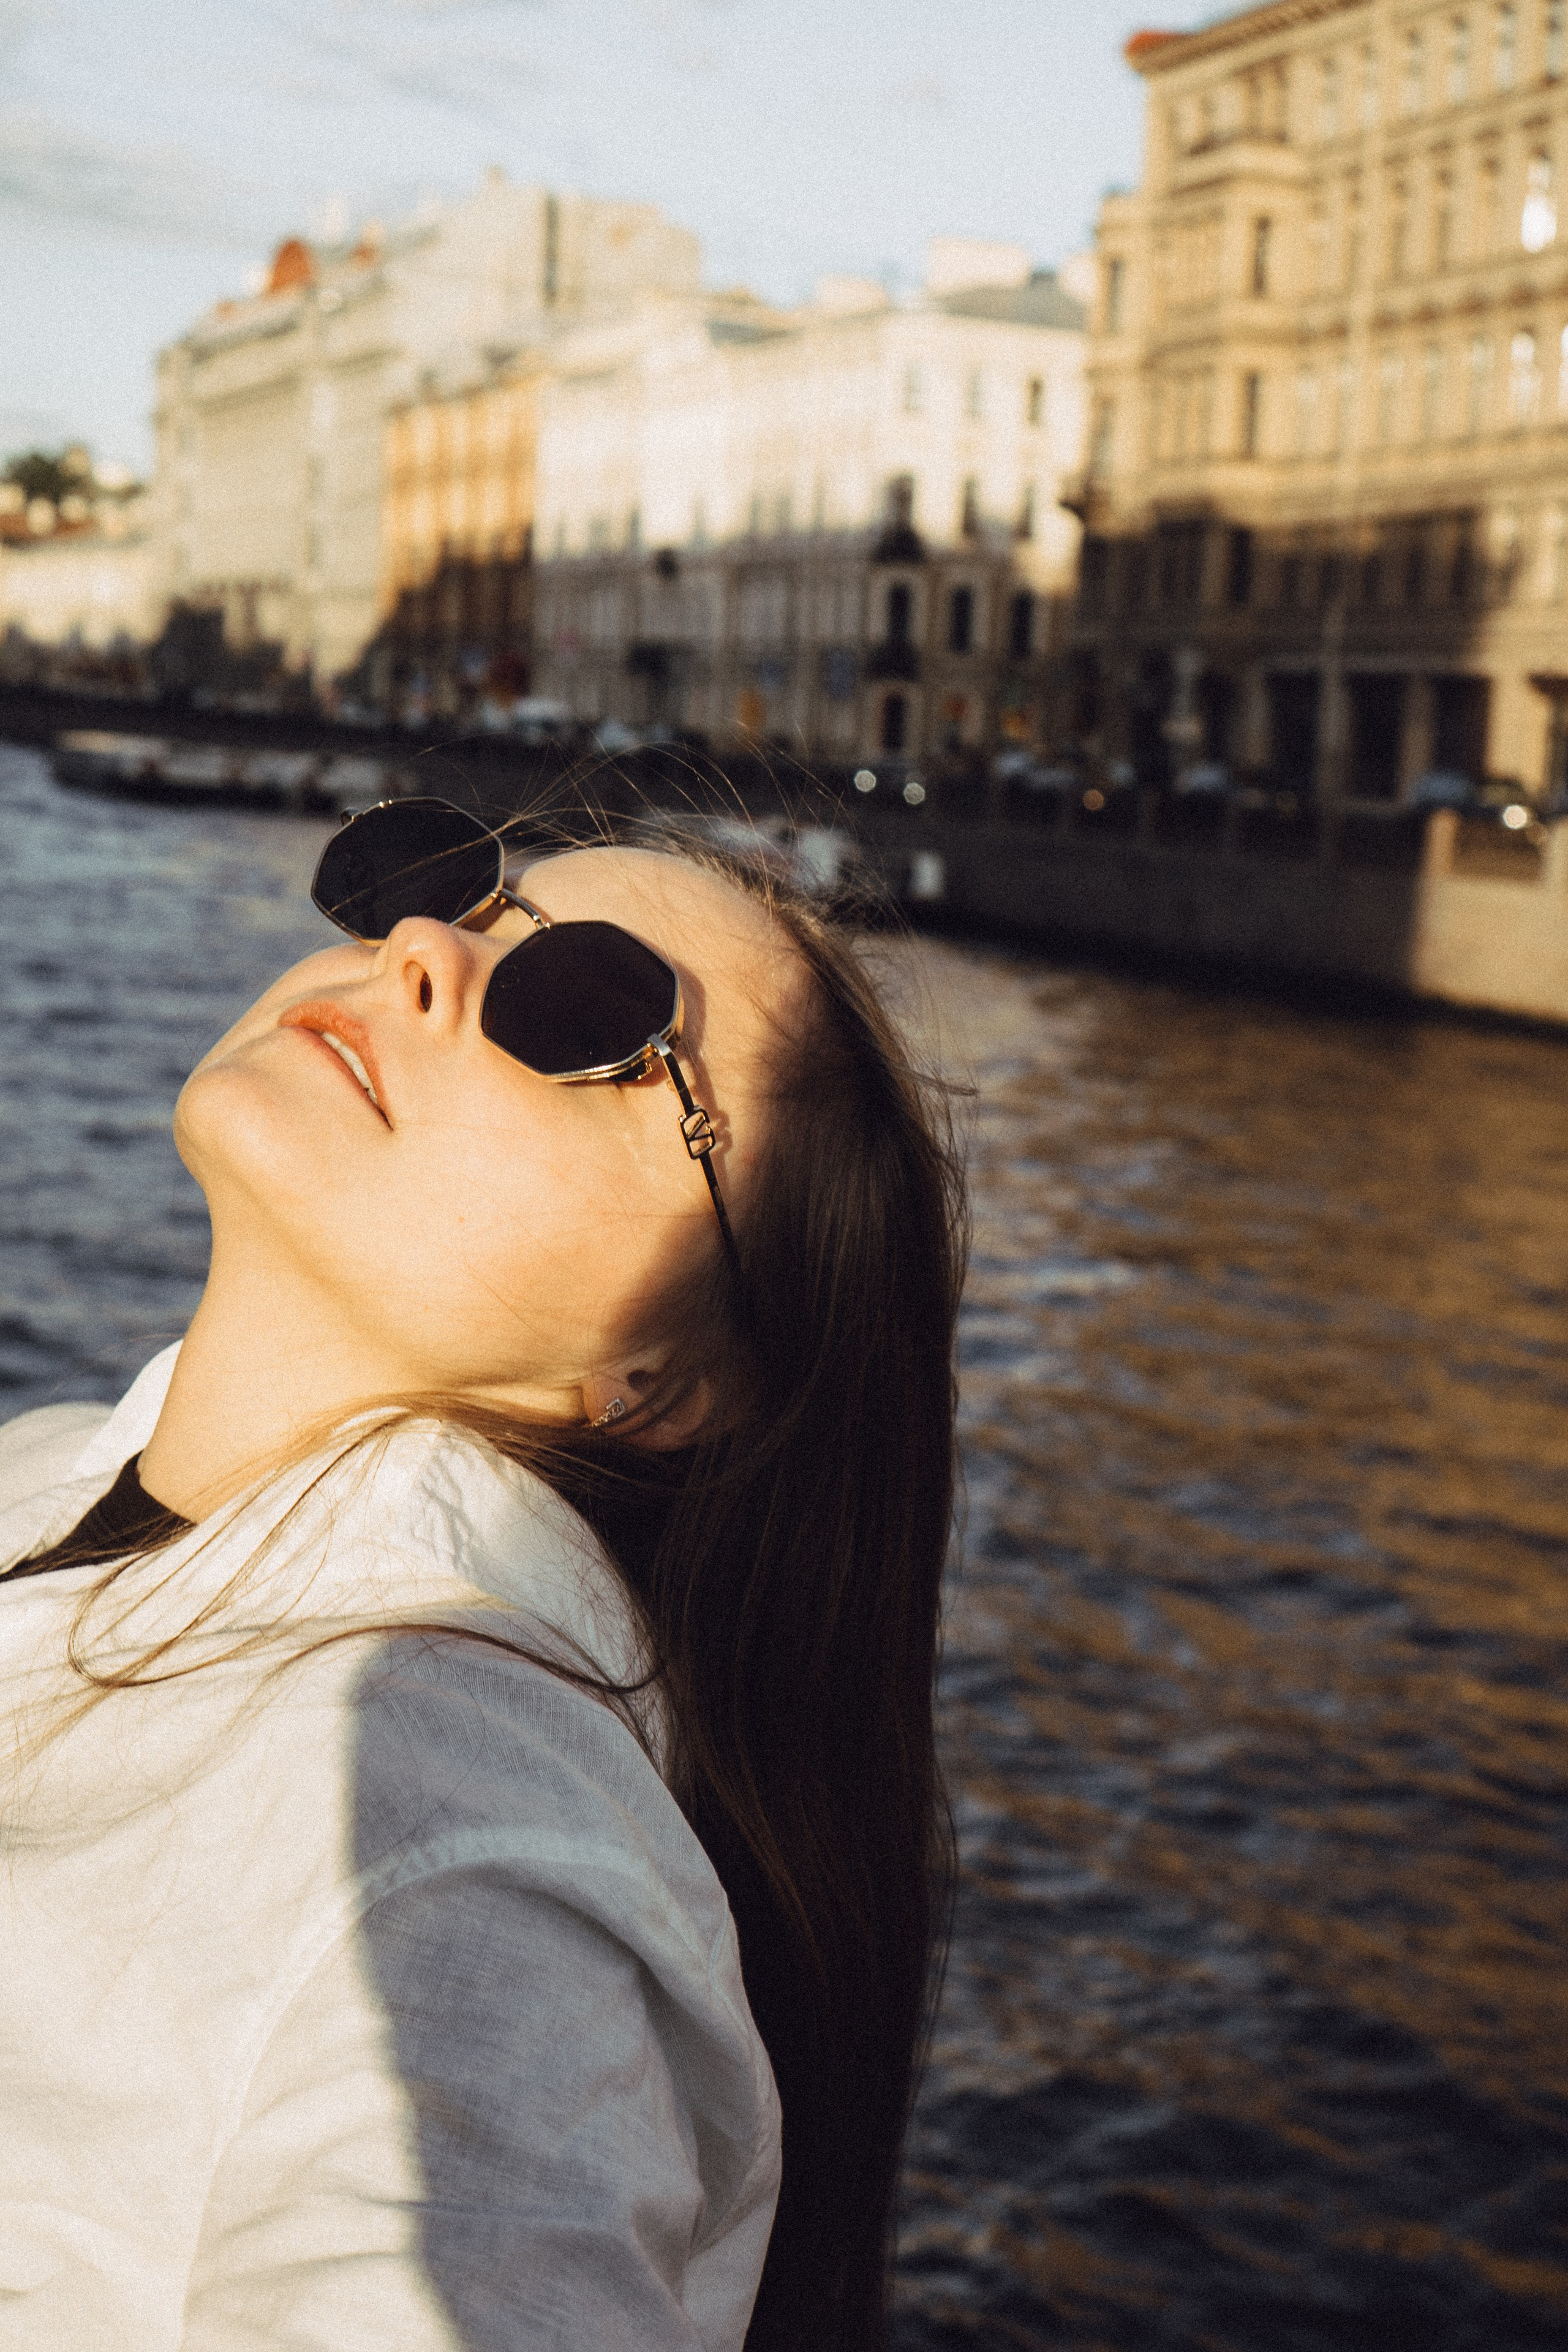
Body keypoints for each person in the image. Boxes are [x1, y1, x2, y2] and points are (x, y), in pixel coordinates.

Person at [0, 807, 965, 2351]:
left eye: (585, 1011)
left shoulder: (473, 1844)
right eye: (460, 895)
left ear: (662, 1378)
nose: (422, 948)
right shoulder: (41, 1467)